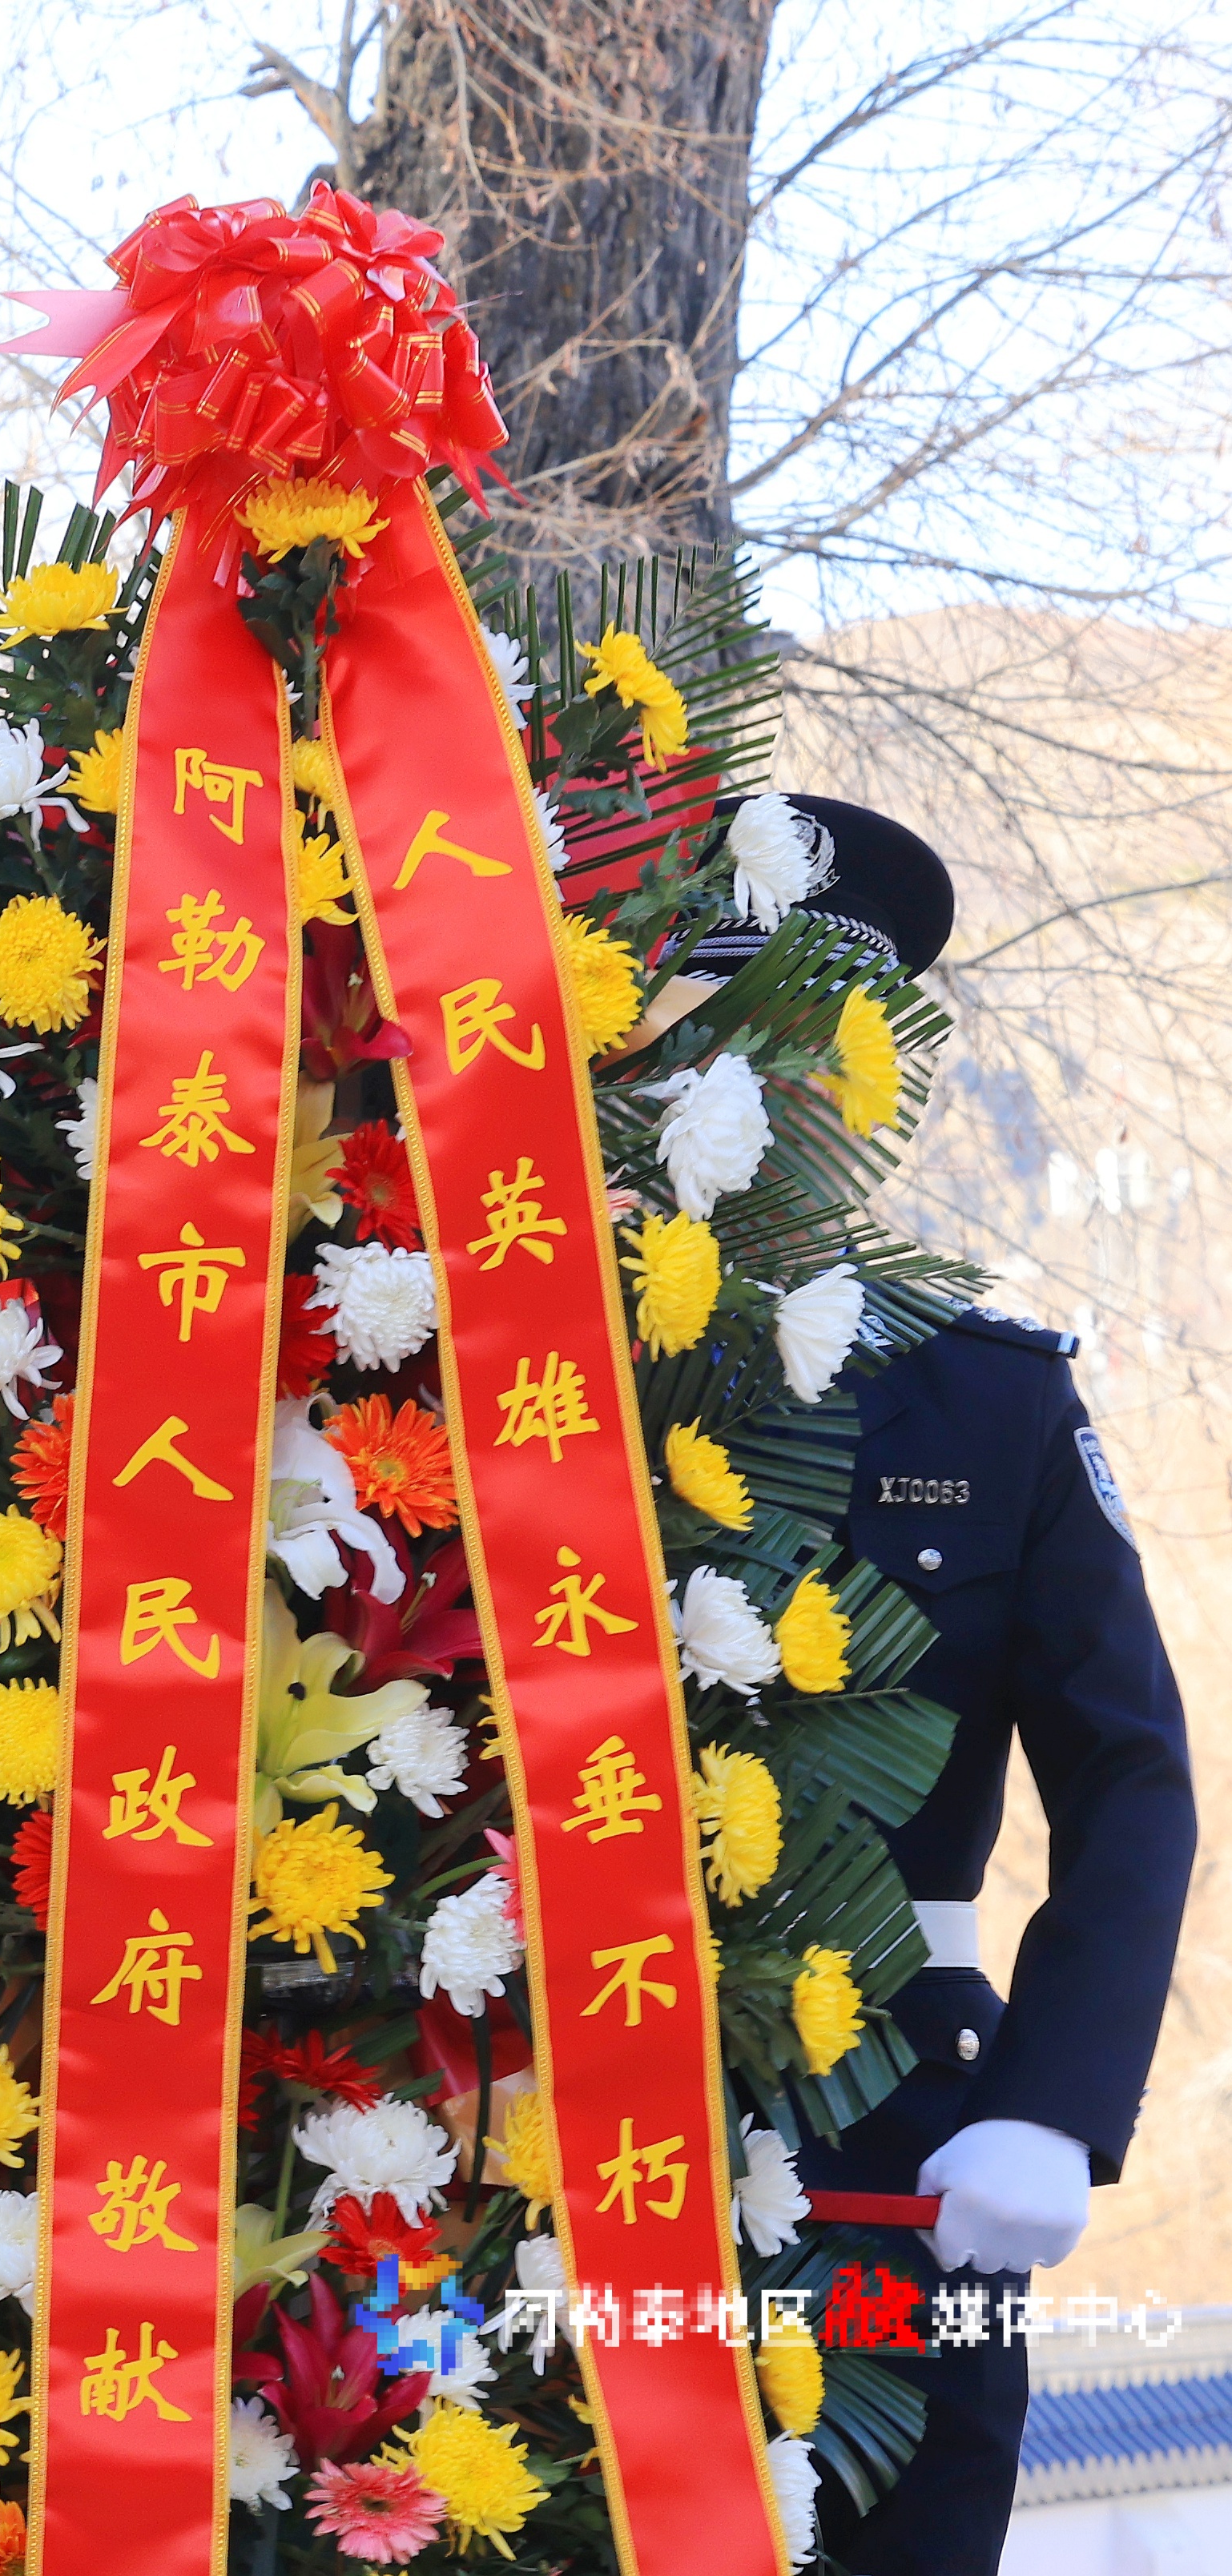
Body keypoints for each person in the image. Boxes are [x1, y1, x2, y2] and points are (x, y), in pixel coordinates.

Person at [673, 799, 1194, 2575]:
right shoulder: (533, 1364)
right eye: (718, 1047)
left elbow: (1128, 1777)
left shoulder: (989, 1402)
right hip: (542, 2095)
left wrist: (1052, 2105)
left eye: (814, 1063)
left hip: (898, 2127)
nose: (769, 1106)